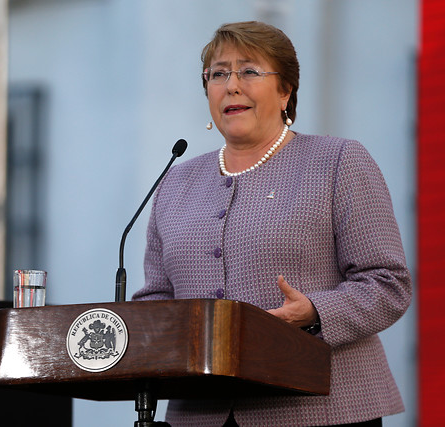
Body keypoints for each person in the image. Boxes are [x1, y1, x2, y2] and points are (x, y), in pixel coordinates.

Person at [131, 21, 412, 427]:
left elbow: (388, 282)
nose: (231, 85)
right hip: (200, 414)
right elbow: (157, 299)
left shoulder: (338, 162)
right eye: (218, 73)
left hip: (322, 409)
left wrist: (314, 311)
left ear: (285, 90)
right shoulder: (176, 181)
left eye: (249, 71)